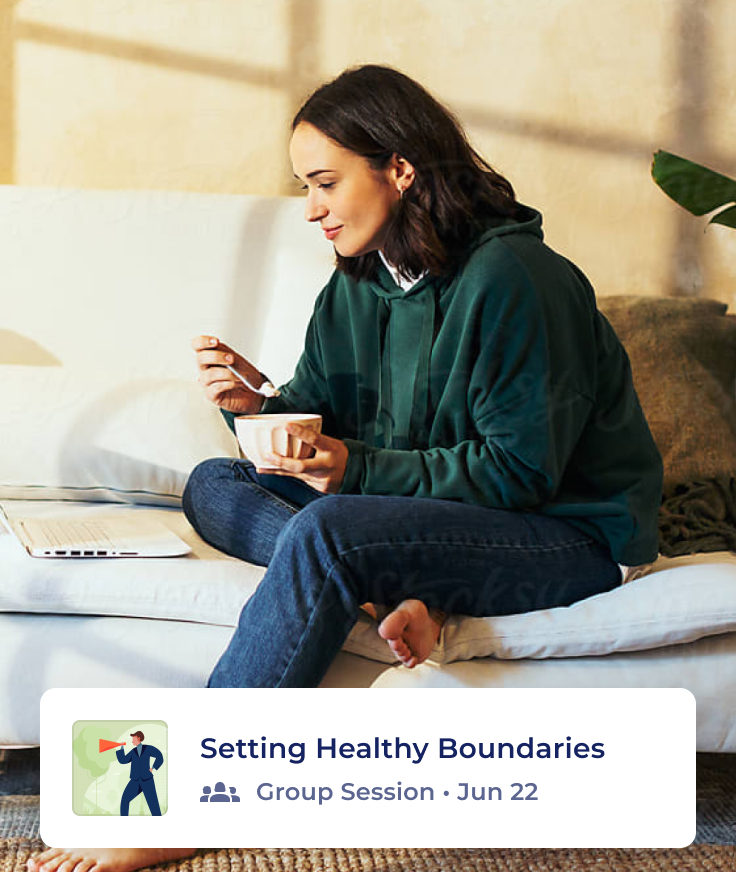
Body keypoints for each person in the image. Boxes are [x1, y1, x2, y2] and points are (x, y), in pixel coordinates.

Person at [27, 64, 662, 871]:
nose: (313, 209)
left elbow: (520, 475)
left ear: (400, 167)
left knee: (328, 532)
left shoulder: (517, 280)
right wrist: (256, 407)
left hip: (563, 533)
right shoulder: (359, 282)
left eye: (326, 182)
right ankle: (390, 586)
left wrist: (349, 471)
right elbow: (319, 414)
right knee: (214, 482)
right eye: (305, 186)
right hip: (440, 523)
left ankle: (189, 800)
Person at [116, 731, 163, 817]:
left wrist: (153, 767)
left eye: (133, 738)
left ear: (138, 738)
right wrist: (121, 747)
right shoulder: (133, 751)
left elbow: (159, 755)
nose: (132, 740)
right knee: (124, 800)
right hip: (135, 781)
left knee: (154, 805)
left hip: (147, 780)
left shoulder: (148, 748)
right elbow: (124, 760)